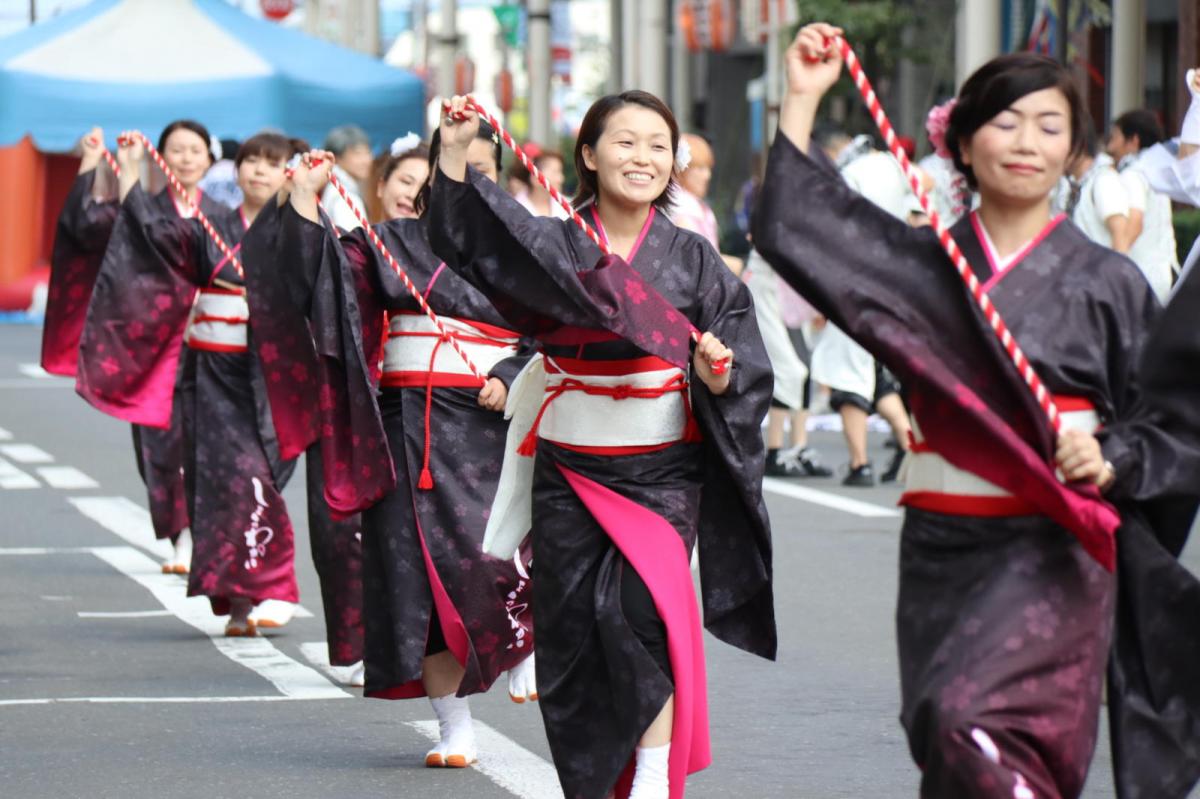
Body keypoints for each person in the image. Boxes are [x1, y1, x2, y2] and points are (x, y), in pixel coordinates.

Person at [756, 24, 1200, 798]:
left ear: (1073, 152)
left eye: (1050, 125)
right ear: (961, 143)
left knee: (978, 731)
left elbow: (1170, 423)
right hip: (942, 547)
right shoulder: (924, 269)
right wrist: (801, 97)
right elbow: (799, 231)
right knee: (944, 729)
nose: (1026, 140)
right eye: (1005, 121)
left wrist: (1114, 457)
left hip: (1058, 553)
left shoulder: (1110, 284)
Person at [428, 90, 775, 799]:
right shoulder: (553, 244)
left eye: (658, 144)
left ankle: (652, 774)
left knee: (644, 611)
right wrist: (455, 146)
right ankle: (593, 779)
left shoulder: (695, 258)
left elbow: (738, 353)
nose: (644, 157)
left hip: (661, 467)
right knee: (575, 634)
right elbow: (466, 238)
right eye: (625, 142)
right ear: (588, 154)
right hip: (570, 464)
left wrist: (718, 369)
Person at [246, 126, 537, 769]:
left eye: (485, 170)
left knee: (496, 557)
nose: (471, 182)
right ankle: (453, 726)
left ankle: (521, 640)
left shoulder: (528, 251)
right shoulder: (388, 242)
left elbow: (560, 331)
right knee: (418, 584)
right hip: (407, 429)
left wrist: (513, 375)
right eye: (458, 167)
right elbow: (320, 285)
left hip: (494, 426)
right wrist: (302, 199)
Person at [78, 131, 303, 636]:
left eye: (272, 164)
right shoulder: (208, 226)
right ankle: (243, 599)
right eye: (251, 162)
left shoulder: (300, 231)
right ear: (236, 169)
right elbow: (151, 236)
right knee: (218, 484)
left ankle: (271, 583)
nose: (259, 172)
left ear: (289, 173)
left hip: (269, 377)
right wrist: (132, 169)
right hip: (210, 374)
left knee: (255, 478)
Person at [63, 120, 229, 574]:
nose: (187, 158)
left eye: (196, 150)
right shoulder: (145, 209)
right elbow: (86, 227)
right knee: (157, 444)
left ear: (210, 158)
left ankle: (205, 534)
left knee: (211, 443)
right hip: (155, 344)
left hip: (216, 346)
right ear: (162, 157)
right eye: (177, 150)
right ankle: (180, 534)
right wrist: (104, 163)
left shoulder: (224, 215)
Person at [807, 126, 912, 486]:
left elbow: (834, 235)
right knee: (878, 375)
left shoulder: (849, 174)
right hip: (894, 280)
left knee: (848, 373)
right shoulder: (895, 166)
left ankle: (860, 462)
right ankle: (909, 444)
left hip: (853, 283)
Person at [742, 249, 831, 477]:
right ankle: (774, 451)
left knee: (804, 365)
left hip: (790, 282)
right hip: (767, 281)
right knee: (788, 370)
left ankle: (799, 447)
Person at [1107, 109, 1178, 301]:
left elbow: (1135, 221)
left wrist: (1111, 266)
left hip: (1141, 276)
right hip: (1163, 272)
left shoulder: (1132, 175)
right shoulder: (1155, 173)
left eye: (1114, 137)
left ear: (1133, 141)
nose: (1110, 146)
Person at [670, 133, 744, 275]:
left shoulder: (691, 205)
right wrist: (741, 266)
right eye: (700, 168)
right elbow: (699, 260)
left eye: (708, 168)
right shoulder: (681, 207)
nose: (707, 176)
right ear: (682, 168)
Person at [1067, 119, 1134, 251]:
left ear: (1081, 144)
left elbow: (1121, 235)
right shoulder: (1075, 182)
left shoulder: (1104, 180)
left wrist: (1115, 271)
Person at [321, 124, 373, 232]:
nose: (366, 160)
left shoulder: (334, 186)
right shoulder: (343, 196)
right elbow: (353, 243)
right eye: (358, 154)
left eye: (368, 152)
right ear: (337, 157)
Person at [512, 148, 571, 219]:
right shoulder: (515, 211)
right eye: (555, 172)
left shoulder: (569, 207)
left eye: (560, 172)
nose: (561, 179)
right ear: (534, 177)